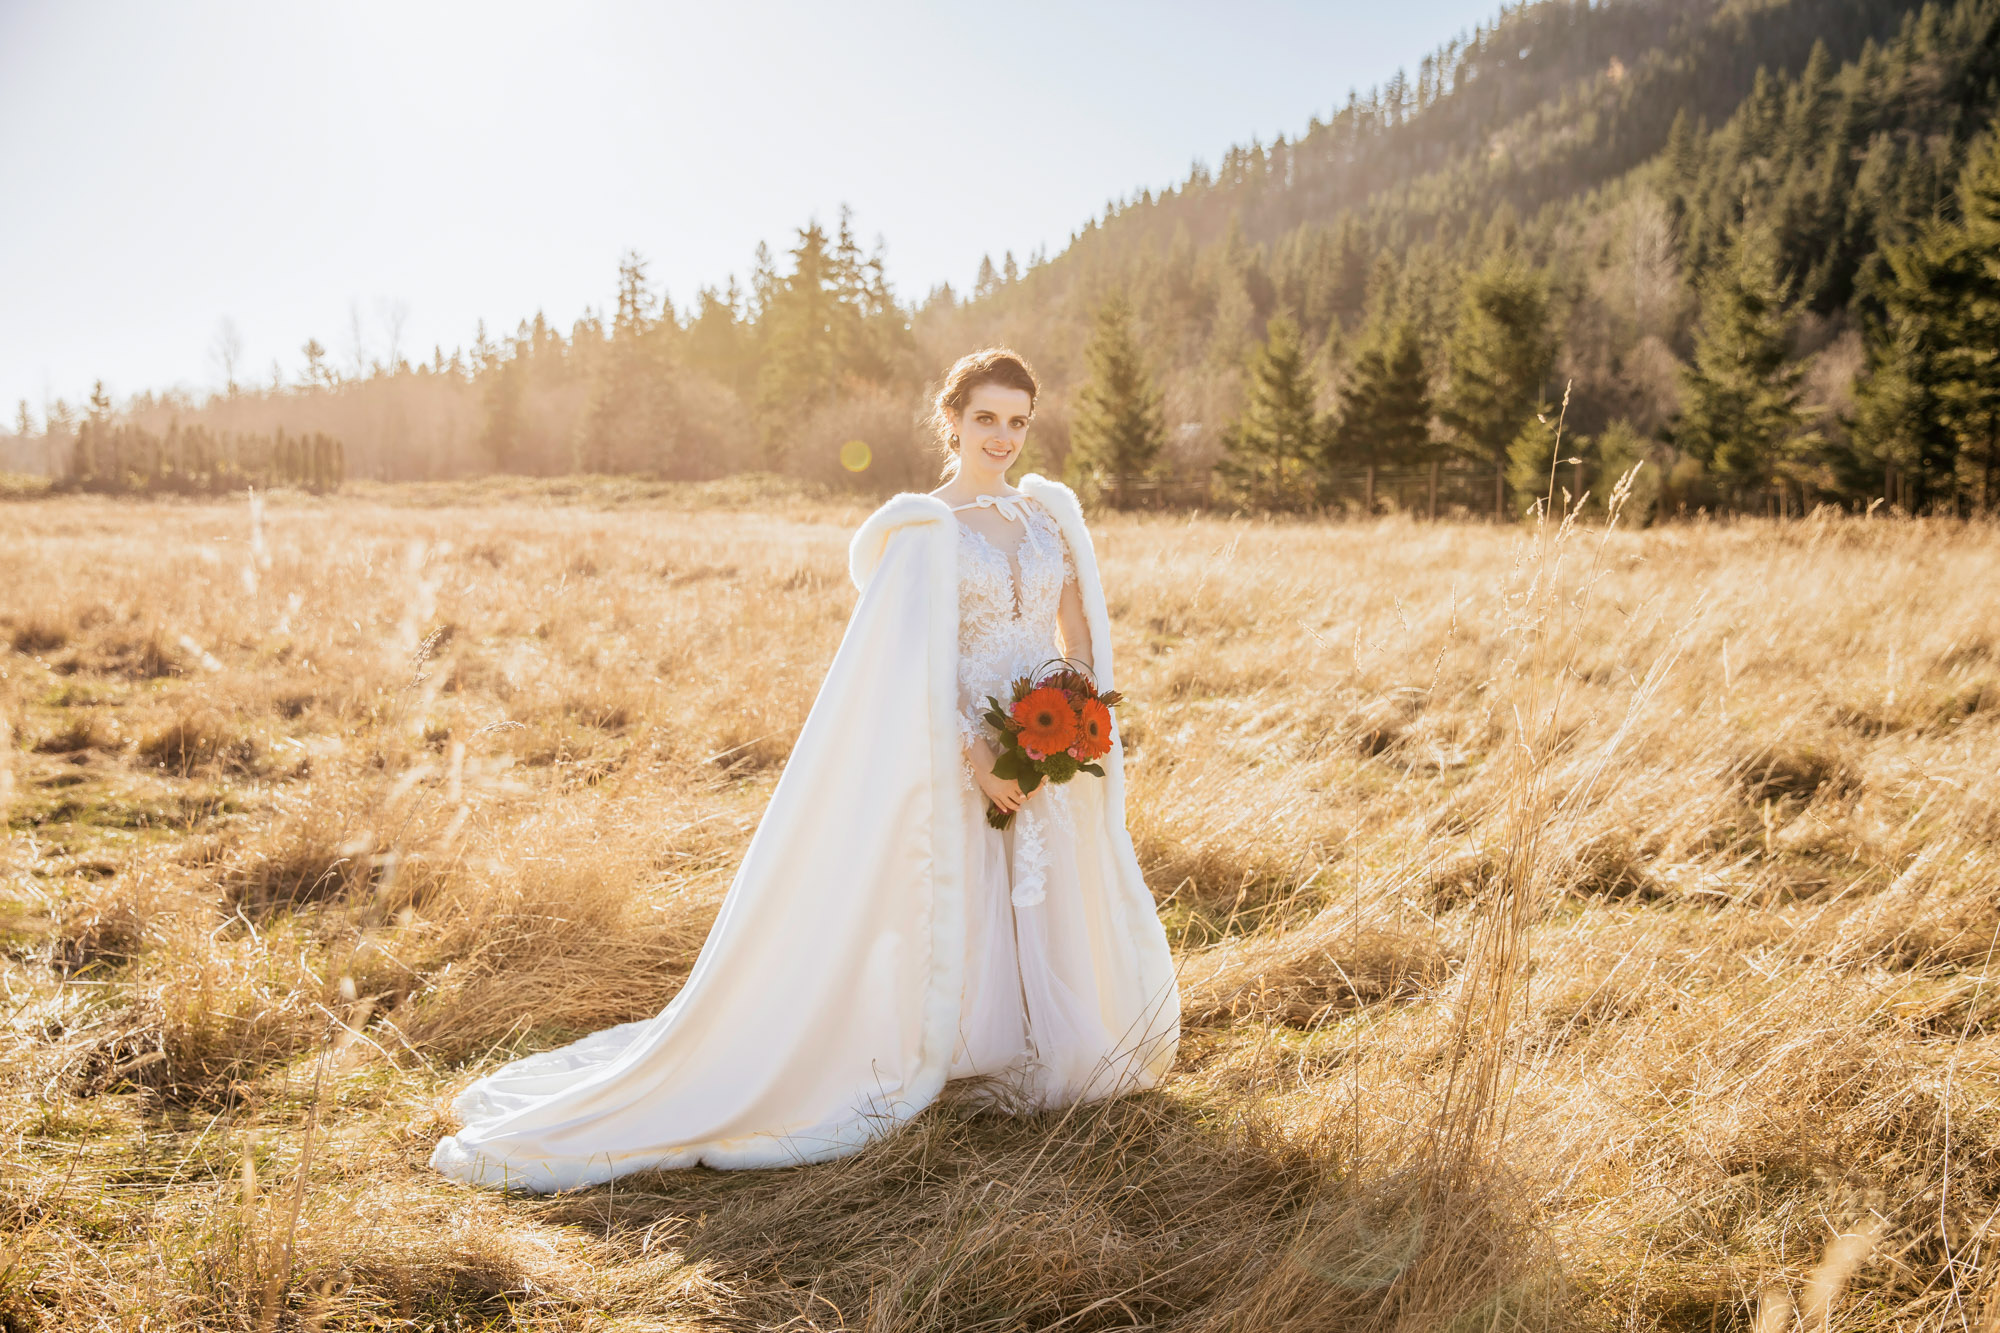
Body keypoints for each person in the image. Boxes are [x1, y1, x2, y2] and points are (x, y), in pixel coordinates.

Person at [429, 347, 1178, 1193]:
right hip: (964, 741)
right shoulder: (926, 529)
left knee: (1038, 893)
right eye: (985, 420)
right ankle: (946, 1041)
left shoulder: (1046, 520)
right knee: (956, 885)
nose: (1002, 437)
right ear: (953, 421)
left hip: (1044, 739)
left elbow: (1075, 637)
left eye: (1016, 421)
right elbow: (903, 662)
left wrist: (1068, 725)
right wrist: (972, 749)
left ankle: (1025, 1040)